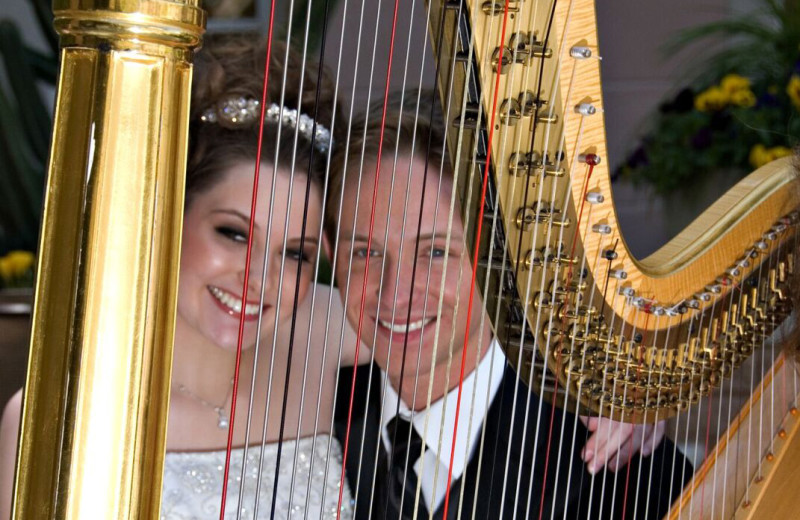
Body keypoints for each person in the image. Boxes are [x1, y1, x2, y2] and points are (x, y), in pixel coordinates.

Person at [0, 36, 360, 519]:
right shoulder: (57, 418)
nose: (260, 280)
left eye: (296, 253)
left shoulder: (323, 331)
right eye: (233, 233)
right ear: (169, 216)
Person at [326, 91, 692, 519]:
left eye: (436, 252)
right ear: (332, 257)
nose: (395, 294)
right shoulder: (307, 413)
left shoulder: (617, 465)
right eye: (365, 253)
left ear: (501, 259)